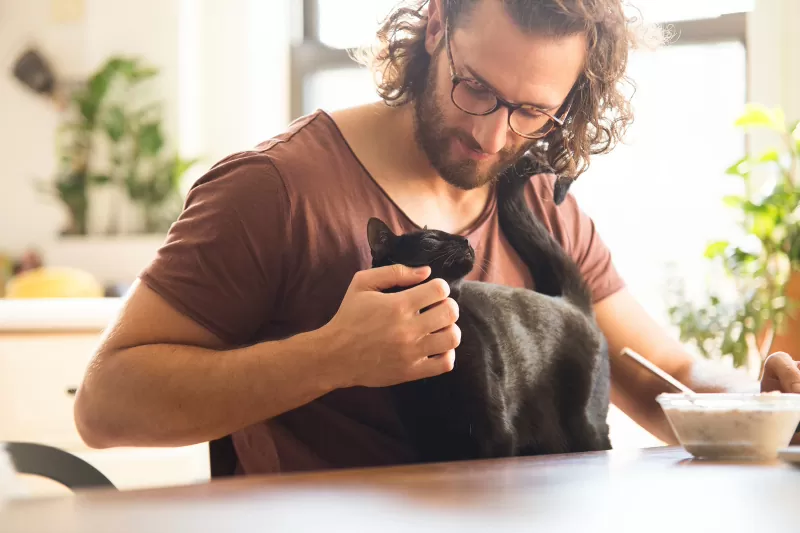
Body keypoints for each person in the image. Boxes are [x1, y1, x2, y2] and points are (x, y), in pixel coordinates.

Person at [74, 0, 800, 475]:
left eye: (529, 111)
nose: (491, 134)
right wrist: (329, 356)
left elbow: (657, 375)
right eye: (475, 87)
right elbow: (105, 404)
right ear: (435, 26)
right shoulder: (276, 190)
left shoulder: (541, 199)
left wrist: (761, 399)